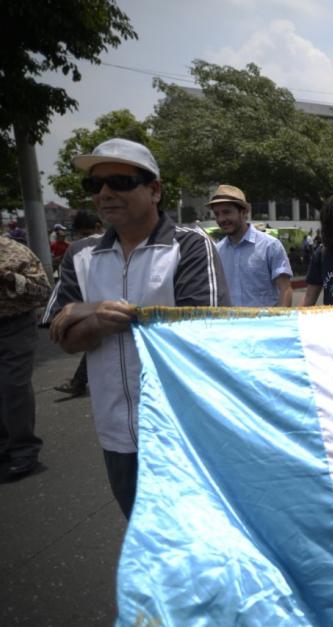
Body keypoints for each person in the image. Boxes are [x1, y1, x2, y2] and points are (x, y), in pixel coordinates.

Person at [41, 138, 230, 518]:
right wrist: (94, 316)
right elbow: (64, 337)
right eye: (95, 186)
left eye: (120, 182)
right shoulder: (81, 255)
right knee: (143, 533)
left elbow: (199, 330)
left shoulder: (190, 246)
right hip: (116, 432)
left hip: (183, 430)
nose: (105, 194)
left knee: (197, 536)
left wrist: (84, 311)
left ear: (155, 190)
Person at [1, 236, 51, 480]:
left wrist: (9, 277)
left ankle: (24, 450)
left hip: (14, 325)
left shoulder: (15, 252)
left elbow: (43, 291)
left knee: (13, 386)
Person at [209, 184, 293, 308]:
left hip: (264, 325)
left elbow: (285, 290)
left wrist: (278, 323)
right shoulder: (217, 251)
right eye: (217, 214)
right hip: (230, 325)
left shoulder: (269, 246)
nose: (221, 219)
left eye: (227, 212)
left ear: (244, 212)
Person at [53, 211, 105, 398]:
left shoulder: (77, 248)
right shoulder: (77, 251)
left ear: (99, 227)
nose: (86, 239)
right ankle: (78, 382)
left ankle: (78, 382)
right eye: (81, 235)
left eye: (87, 233)